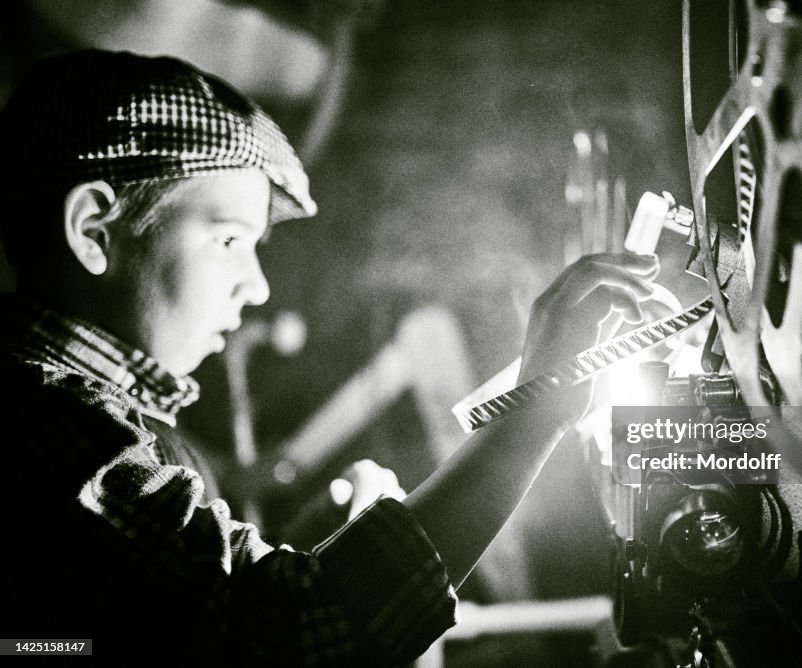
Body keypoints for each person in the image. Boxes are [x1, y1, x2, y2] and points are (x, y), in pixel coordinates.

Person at [0, 50, 659, 665]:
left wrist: (315, 555)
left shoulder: (111, 426)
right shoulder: (44, 425)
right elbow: (284, 636)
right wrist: (535, 411)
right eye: (230, 240)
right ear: (93, 230)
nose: (255, 286)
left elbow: (180, 623)